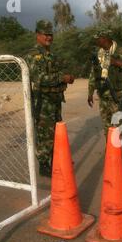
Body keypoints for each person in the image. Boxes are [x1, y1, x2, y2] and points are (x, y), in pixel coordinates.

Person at [25, 19, 75, 176]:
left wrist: (67, 78)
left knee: (56, 132)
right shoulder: (33, 55)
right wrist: (62, 77)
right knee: (44, 134)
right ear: (38, 35)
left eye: (50, 35)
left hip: (55, 100)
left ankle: (57, 161)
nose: (49, 37)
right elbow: (39, 78)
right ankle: (45, 166)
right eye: (45, 34)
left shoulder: (51, 55)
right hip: (42, 101)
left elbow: (59, 71)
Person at [87, 28, 122, 154]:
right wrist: (90, 92)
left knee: (120, 121)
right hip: (103, 94)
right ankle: (111, 146)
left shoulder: (121, 51)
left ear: (105, 38)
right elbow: (93, 74)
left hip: (117, 93)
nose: (96, 41)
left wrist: (118, 63)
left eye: (98, 38)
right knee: (106, 123)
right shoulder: (99, 53)